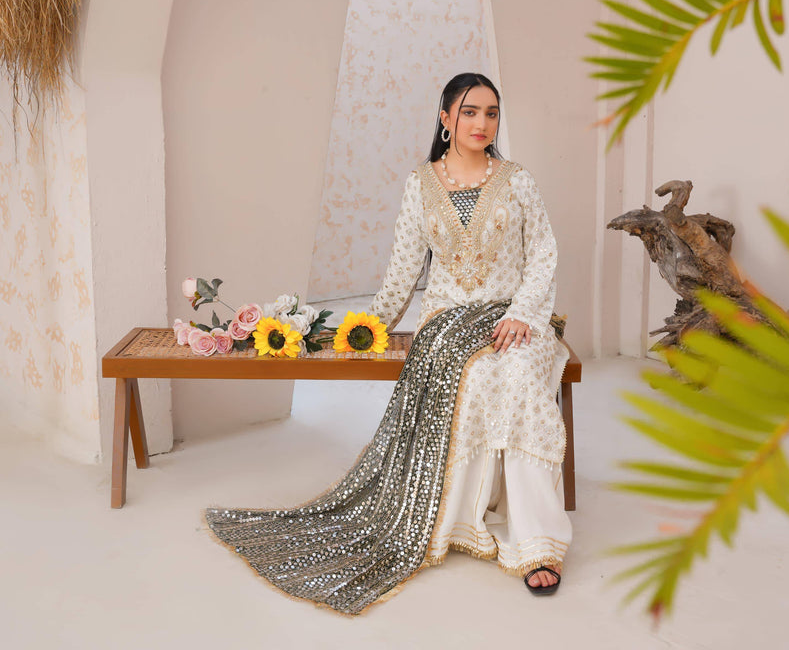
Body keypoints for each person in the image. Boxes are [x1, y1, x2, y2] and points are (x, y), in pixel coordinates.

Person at [206, 73, 571, 614]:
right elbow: (402, 271)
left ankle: (537, 541)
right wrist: (358, 329)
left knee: (515, 372)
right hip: (449, 320)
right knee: (478, 373)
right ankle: (459, 519)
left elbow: (543, 254)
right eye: (470, 112)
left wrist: (521, 314)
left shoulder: (518, 181)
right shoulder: (421, 184)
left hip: (519, 317)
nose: (481, 123)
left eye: (491, 113)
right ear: (445, 118)